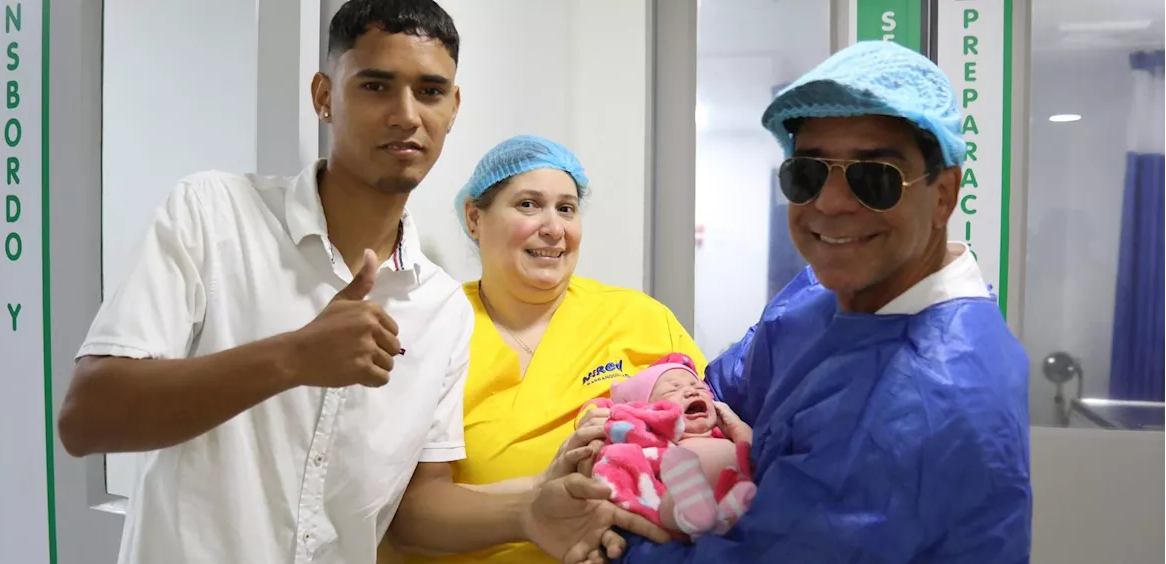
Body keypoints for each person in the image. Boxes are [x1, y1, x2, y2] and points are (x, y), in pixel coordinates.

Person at [59, 2, 654, 563]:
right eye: (375, 85)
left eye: (430, 92)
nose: (406, 114)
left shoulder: (440, 308)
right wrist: (291, 357)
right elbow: (88, 418)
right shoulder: (216, 216)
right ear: (324, 97)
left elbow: (418, 505)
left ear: (452, 109)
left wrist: (527, 512)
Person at [618, 40, 1032, 563]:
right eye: (808, 173)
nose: (830, 204)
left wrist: (607, 531)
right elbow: (719, 388)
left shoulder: (929, 402)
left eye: (874, 178)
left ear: (944, 194)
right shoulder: (825, 293)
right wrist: (627, 434)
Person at [392, 135, 699, 564]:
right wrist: (533, 499)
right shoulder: (433, 329)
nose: (553, 228)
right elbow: (399, 514)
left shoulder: (640, 318)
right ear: (474, 218)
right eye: (528, 205)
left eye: (567, 208)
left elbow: (709, 436)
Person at [586, 357, 757, 539]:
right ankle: (690, 516)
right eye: (673, 388)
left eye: (699, 387)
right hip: (675, 500)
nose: (691, 391)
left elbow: (756, 453)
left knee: (745, 487)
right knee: (669, 499)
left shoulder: (725, 435)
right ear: (649, 409)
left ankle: (720, 519)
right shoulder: (660, 442)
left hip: (727, 496)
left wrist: (736, 425)